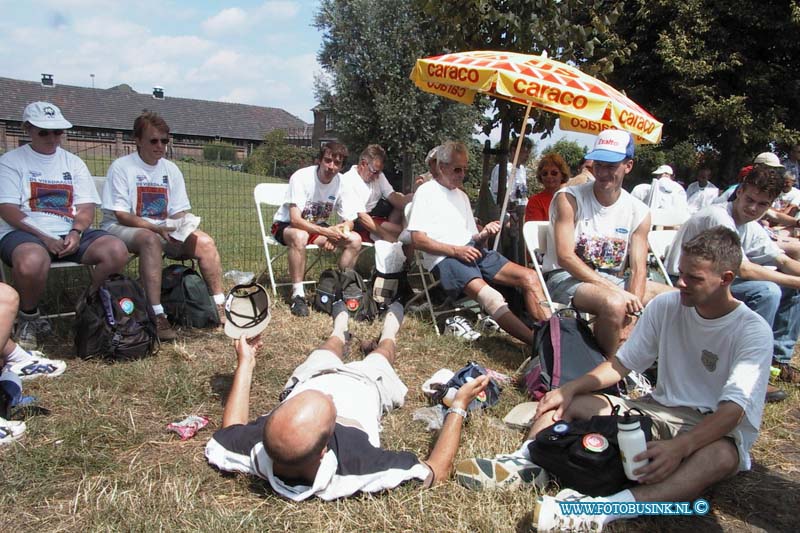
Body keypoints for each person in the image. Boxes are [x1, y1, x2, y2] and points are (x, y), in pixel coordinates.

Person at [459, 227, 772, 532]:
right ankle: (525, 460)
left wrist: (681, 446)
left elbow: (733, 410)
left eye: (694, 278)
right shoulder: (666, 306)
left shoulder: (751, 331)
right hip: (658, 409)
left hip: (714, 429)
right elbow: (621, 364)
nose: (680, 283)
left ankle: (602, 511)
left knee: (718, 457)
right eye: (679, 273)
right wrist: (569, 389)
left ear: (726, 279)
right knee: (572, 403)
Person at [204, 302, 491, 500]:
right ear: (323, 451)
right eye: (332, 409)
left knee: (328, 348)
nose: (330, 394)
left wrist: (246, 362)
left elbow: (230, 431)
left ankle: (339, 327)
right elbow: (436, 471)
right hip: (367, 384)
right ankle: (389, 331)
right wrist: (459, 406)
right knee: (383, 354)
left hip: (310, 378)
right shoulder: (357, 467)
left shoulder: (255, 448)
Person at [0, 102, 129, 349]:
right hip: (24, 232)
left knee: (116, 250)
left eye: (58, 131)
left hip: (69, 230)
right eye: (44, 132)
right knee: (32, 260)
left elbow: (86, 207)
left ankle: (88, 304)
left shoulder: (73, 163)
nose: (52, 138)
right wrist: (45, 237)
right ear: (27, 129)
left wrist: (76, 232)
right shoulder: (10, 161)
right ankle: (29, 316)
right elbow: (7, 209)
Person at [665, 167, 800, 399]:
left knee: (788, 289)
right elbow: (743, 268)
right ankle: (748, 370)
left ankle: (777, 359)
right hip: (688, 280)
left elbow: (783, 260)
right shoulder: (719, 217)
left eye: (762, 204)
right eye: (750, 199)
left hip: (718, 281)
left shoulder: (750, 225)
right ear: (740, 191)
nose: (753, 208)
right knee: (767, 291)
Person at [542, 129, 671, 356]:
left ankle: (651, 363)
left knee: (675, 298)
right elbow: (565, 257)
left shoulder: (639, 211)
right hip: (563, 277)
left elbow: (639, 268)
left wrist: (633, 314)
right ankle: (607, 370)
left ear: (628, 166)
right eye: (598, 165)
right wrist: (617, 292)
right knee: (613, 303)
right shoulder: (569, 198)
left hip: (609, 281)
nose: (602, 173)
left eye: (611, 166)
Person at [408, 141, 551, 345]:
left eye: (464, 169)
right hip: (446, 257)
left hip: (471, 250)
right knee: (492, 298)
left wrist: (484, 233)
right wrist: (456, 251)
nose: (462, 174)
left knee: (530, 277)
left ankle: (552, 335)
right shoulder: (426, 192)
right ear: (441, 166)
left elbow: (474, 239)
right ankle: (537, 344)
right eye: (457, 169)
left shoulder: (463, 196)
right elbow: (418, 240)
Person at [101, 111, 226, 340]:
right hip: (123, 229)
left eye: (164, 141)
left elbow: (178, 210)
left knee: (206, 243)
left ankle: (219, 305)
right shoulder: (122, 167)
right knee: (149, 241)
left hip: (163, 229)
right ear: (137, 141)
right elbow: (120, 214)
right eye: (153, 141)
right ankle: (156, 314)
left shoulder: (171, 170)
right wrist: (154, 228)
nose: (160, 146)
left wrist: (181, 226)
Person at [271, 142, 362, 317]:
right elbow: (295, 219)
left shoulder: (342, 182)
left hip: (317, 227)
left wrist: (338, 232)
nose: (331, 167)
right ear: (319, 160)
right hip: (287, 226)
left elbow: (350, 219)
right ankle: (298, 295)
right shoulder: (301, 177)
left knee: (355, 240)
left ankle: (340, 287)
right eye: (327, 161)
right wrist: (326, 233)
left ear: (342, 166)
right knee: (300, 236)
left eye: (337, 163)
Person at [340, 145, 410, 243]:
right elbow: (361, 218)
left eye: (379, 172)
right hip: (358, 224)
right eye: (375, 172)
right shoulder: (348, 180)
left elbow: (394, 197)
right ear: (363, 164)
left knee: (406, 202)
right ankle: (399, 251)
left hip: (375, 217)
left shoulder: (378, 175)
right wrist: (386, 236)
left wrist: (413, 203)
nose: (377, 177)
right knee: (401, 233)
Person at [524, 153, 570, 222]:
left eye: (554, 173)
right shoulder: (535, 201)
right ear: (541, 176)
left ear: (562, 175)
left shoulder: (571, 198)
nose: (549, 176)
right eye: (545, 173)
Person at [489, 137, 533, 207]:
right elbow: (498, 195)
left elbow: (523, 195)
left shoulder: (523, 170)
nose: (527, 156)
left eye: (529, 153)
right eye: (525, 152)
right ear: (513, 150)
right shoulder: (502, 168)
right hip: (505, 213)